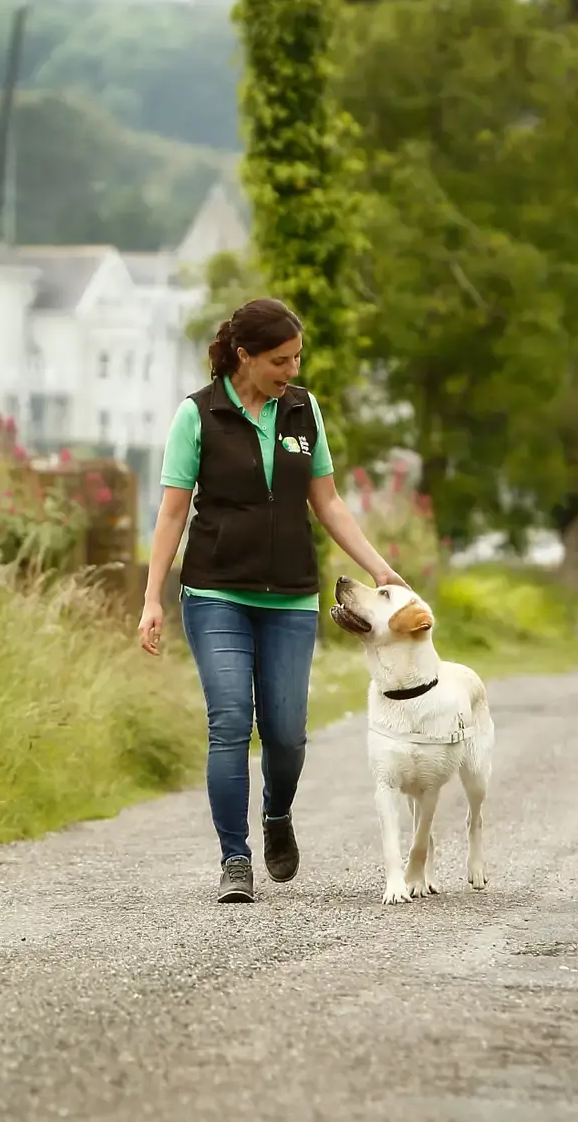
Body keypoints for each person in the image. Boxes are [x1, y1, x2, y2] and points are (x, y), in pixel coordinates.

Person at [137, 297, 406, 904]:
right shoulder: (197, 415)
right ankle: (235, 859)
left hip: (288, 595)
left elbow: (328, 502)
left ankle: (277, 813)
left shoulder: (303, 410)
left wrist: (381, 567)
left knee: (285, 733)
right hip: (214, 592)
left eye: (296, 358)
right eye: (280, 360)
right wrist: (153, 598)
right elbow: (173, 512)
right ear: (244, 356)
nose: (291, 370)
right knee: (229, 721)